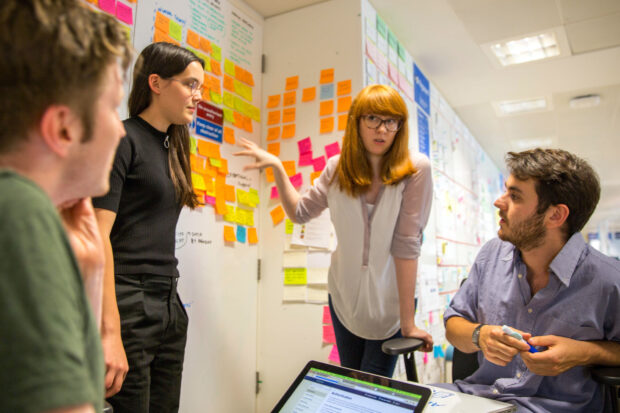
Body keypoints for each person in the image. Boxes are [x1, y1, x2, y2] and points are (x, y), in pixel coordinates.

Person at [236, 84, 434, 377]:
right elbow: (300, 213)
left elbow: (407, 245)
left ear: (399, 126)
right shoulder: (337, 168)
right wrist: (278, 166)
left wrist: (408, 322)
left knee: (372, 390)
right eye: (373, 119)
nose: (382, 130)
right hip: (343, 297)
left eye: (391, 121)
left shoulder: (415, 169)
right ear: (357, 121)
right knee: (350, 384)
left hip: (391, 301)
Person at [0, 0, 131, 412]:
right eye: (112, 107)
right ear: (63, 127)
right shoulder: (20, 213)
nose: (120, 133)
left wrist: (90, 276)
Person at [441, 148, 620, 412]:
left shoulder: (608, 280)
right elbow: (454, 324)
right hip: (479, 399)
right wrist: (480, 335)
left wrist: (583, 352)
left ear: (555, 215)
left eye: (514, 196)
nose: (499, 202)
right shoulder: (490, 256)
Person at [93, 42, 203, 413]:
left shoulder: (174, 146)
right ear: (156, 83)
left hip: (168, 303)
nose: (197, 96)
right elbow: (98, 236)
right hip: (128, 302)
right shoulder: (121, 139)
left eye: (199, 87)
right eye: (190, 84)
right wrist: (110, 331)